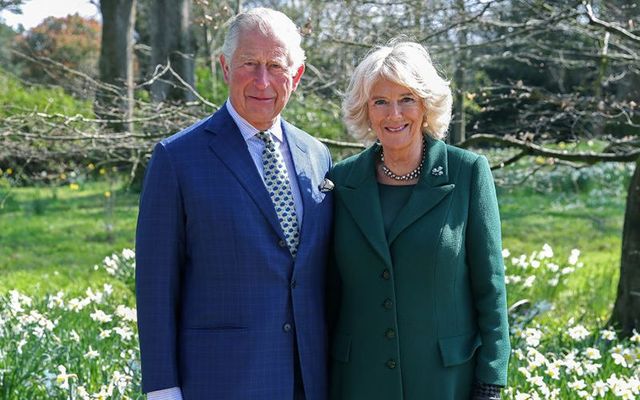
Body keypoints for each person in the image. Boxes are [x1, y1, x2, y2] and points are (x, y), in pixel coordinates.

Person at [136, 8, 333, 400]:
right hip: (221, 382)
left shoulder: (317, 155)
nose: (262, 81)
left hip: (308, 380)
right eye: (249, 64)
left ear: (296, 75)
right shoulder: (177, 159)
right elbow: (156, 286)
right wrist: (162, 389)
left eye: (275, 65)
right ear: (225, 67)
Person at [327, 40, 510, 400]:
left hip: (444, 382)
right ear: (366, 110)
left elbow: (491, 289)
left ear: (425, 105)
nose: (394, 114)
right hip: (359, 381)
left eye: (406, 99)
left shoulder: (468, 173)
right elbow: (329, 292)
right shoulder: (341, 182)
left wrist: (491, 379)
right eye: (380, 101)